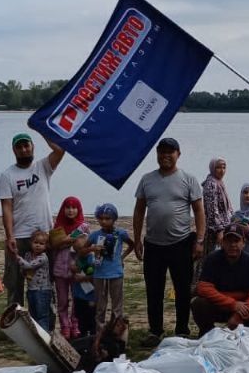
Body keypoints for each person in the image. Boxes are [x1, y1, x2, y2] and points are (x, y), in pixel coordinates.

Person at [133, 137, 205, 345]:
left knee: (182, 289)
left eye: (170, 152)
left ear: (178, 154)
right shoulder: (147, 179)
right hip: (153, 245)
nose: (165, 155)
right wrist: (137, 239)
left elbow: (199, 211)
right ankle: (155, 331)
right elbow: (139, 210)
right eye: (162, 152)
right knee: (153, 290)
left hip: (181, 243)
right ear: (157, 154)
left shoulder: (188, 179)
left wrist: (199, 239)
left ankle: (182, 329)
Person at [0, 133, 65, 307]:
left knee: (46, 280)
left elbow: (60, 150)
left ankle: (45, 320)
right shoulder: (7, 175)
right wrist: (9, 236)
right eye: (19, 147)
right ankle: (16, 320)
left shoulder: (43, 166)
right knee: (15, 283)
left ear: (32, 146)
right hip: (19, 235)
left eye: (26, 145)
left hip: (44, 235)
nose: (23, 150)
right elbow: (6, 207)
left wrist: (42, 129)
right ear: (14, 150)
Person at [191, 225, 249, 334]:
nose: (233, 245)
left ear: (243, 243)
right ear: (222, 242)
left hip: (243, 309)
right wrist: (233, 304)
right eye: (228, 241)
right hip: (219, 306)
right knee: (198, 304)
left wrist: (238, 317)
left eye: (236, 241)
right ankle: (207, 333)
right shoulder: (212, 259)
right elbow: (203, 288)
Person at [83, 203, 134, 343]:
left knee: (117, 306)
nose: (104, 221)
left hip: (116, 274)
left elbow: (132, 244)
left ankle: (117, 335)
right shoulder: (94, 235)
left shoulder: (121, 233)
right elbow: (82, 250)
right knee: (100, 306)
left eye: (108, 218)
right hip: (99, 274)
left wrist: (121, 258)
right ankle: (99, 335)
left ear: (114, 219)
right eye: (101, 218)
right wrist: (93, 249)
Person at [50, 197, 89, 338]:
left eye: (73, 207)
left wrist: (65, 240)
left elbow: (82, 243)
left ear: (78, 209)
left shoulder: (83, 226)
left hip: (76, 268)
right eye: (67, 207)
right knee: (62, 300)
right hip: (60, 268)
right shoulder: (57, 226)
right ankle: (65, 326)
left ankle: (75, 324)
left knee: (77, 298)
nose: (70, 210)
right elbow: (54, 245)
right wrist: (65, 241)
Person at [18, 229, 54, 331]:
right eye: (36, 242)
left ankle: (44, 336)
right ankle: (35, 335)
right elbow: (24, 269)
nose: (38, 245)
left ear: (45, 246)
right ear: (31, 243)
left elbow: (29, 266)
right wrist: (23, 270)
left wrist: (17, 257)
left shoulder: (43, 257)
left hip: (42, 290)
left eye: (41, 244)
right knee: (33, 315)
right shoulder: (28, 255)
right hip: (31, 289)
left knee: (42, 315)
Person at [201, 157, 233, 258]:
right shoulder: (211, 184)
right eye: (218, 167)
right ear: (212, 168)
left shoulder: (219, 182)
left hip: (224, 227)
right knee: (212, 257)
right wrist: (219, 230)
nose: (222, 170)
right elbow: (212, 210)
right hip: (214, 230)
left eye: (224, 167)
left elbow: (226, 207)